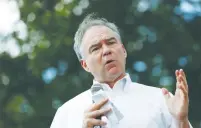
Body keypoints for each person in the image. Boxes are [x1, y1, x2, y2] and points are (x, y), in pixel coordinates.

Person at [50, 13, 193, 128]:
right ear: (85, 65)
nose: (106, 50)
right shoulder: (66, 113)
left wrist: (182, 121)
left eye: (111, 42)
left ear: (123, 50)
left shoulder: (161, 100)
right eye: (96, 48)